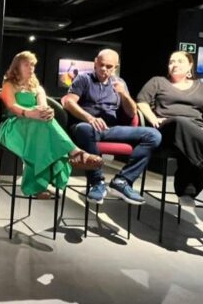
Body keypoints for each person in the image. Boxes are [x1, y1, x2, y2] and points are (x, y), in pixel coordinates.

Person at [136, 51, 203, 218]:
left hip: (193, 132)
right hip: (167, 128)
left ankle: (188, 192)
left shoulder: (201, 87)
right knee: (180, 122)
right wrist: (152, 118)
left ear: (190, 66)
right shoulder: (158, 82)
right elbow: (141, 101)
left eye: (180, 61)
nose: (175, 64)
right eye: (171, 61)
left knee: (194, 137)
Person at [62, 49, 161, 205]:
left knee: (153, 135)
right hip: (86, 126)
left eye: (109, 66)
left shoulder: (119, 83)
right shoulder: (83, 79)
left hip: (111, 129)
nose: (104, 69)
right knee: (84, 129)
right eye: (101, 65)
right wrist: (89, 118)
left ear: (116, 67)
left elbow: (131, 113)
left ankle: (122, 181)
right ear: (95, 62)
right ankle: (97, 182)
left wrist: (124, 94)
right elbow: (68, 102)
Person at [0, 51, 103, 198]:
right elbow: (12, 107)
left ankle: (37, 187)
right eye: (26, 64)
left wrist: (46, 112)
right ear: (17, 67)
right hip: (13, 126)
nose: (31, 68)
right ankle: (74, 152)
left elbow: (43, 106)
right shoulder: (9, 85)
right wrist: (30, 113)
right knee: (39, 127)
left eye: (33, 65)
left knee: (43, 124)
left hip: (35, 126)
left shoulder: (37, 87)